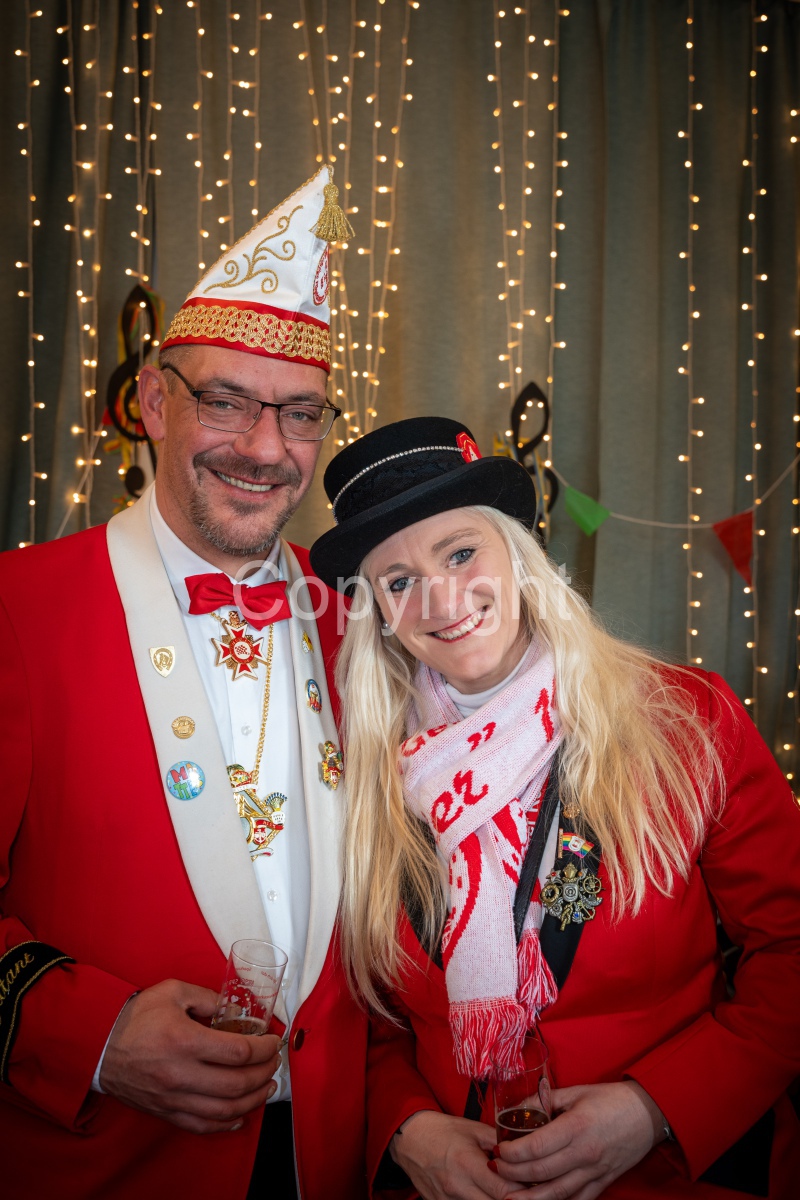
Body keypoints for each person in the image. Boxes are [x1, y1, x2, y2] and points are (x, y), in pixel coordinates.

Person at [309, 416, 800, 1200]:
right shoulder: (364, 771)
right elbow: (363, 1011)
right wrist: (408, 1127)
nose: (441, 599)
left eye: (460, 553)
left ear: (519, 554)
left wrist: (656, 1108)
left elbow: (790, 949)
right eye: (398, 581)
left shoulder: (688, 720)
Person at [0, 167, 366, 1199]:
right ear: (155, 402)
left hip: (330, 1159)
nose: (264, 449)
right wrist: (92, 1034)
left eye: (300, 414)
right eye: (226, 401)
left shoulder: (364, 619)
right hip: (103, 1161)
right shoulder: (16, 609)